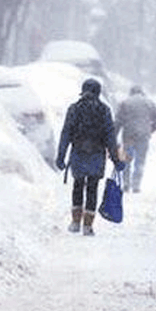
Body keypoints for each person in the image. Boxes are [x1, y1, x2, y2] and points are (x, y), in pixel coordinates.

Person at [56, 78, 123, 236]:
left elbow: (66, 133)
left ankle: (75, 222)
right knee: (92, 188)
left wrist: (61, 156)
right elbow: (110, 137)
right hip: (97, 155)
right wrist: (115, 159)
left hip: (78, 153)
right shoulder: (104, 110)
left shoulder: (74, 109)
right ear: (98, 92)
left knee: (77, 186)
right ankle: (87, 226)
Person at [114, 85, 156, 193]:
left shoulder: (125, 103)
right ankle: (136, 185)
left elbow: (118, 121)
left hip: (129, 134)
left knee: (127, 159)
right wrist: (150, 129)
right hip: (143, 135)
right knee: (140, 160)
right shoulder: (149, 103)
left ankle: (126, 184)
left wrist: (113, 136)